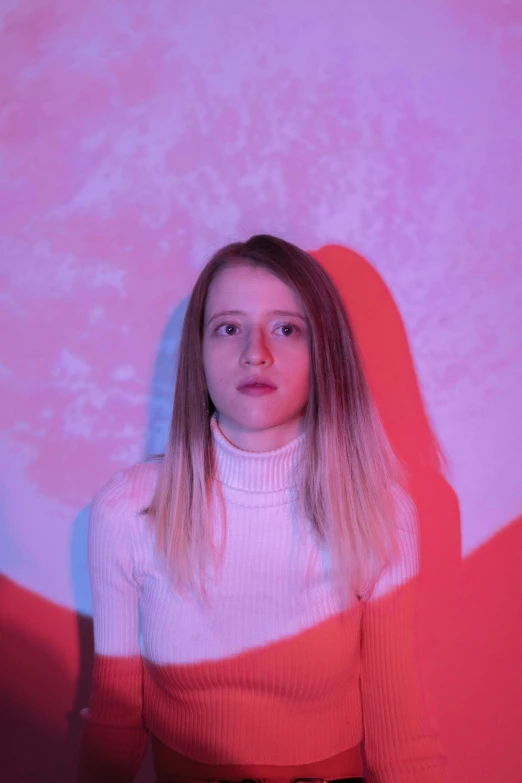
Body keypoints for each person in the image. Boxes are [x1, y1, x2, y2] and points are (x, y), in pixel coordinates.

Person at [78, 234, 448, 783]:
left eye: (286, 328)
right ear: (198, 353)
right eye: (229, 327)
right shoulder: (129, 510)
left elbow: (401, 742)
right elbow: (114, 724)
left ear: (326, 352)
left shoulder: (381, 514)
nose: (256, 352)